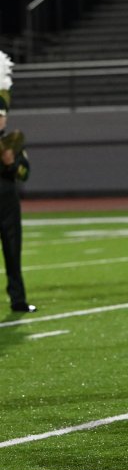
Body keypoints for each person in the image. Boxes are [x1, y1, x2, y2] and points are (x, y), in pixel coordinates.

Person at [0, 50, 35, 313]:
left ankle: (18, 299)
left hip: (8, 197)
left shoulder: (13, 141)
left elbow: (25, 173)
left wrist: (11, 162)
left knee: (13, 249)